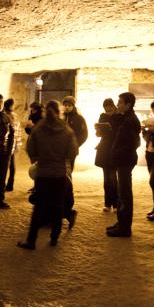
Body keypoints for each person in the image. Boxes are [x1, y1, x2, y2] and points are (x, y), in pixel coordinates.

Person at [17, 100, 78, 249]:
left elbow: (31, 149)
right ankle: (54, 238)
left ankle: (31, 241)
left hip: (43, 172)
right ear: (60, 112)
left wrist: (40, 158)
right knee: (58, 206)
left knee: (39, 207)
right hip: (59, 173)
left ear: (45, 111)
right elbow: (73, 151)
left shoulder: (39, 129)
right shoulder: (66, 130)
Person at [106, 92, 142, 237]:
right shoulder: (125, 117)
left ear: (128, 105)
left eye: (120, 102)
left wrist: (117, 153)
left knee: (125, 194)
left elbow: (132, 143)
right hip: (123, 159)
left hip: (125, 160)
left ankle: (125, 227)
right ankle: (121, 223)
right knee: (122, 193)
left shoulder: (130, 120)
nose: (117, 105)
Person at [62, 96, 87, 228]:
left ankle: (67, 208)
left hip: (70, 153)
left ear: (73, 105)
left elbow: (84, 134)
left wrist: (75, 145)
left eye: (69, 105)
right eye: (65, 105)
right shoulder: (61, 118)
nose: (66, 107)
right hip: (60, 152)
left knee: (67, 177)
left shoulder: (78, 118)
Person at [94, 98, 120, 212]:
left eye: (109, 107)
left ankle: (116, 203)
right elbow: (99, 134)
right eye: (106, 108)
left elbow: (120, 132)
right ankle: (107, 203)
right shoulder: (102, 116)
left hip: (114, 149)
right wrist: (98, 130)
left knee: (113, 178)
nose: (108, 110)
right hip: (104, 149)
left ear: (113, 106)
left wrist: (111, 129)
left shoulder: (119, 116)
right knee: (106, 179)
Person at [3, 98, 22, 192]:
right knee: (11, 165)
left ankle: (3, 184)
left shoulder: (3, 115)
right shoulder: (14, 116)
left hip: (5, 145)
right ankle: (10, 184)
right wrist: (18, 143)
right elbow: (18, 131)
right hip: (13, 143)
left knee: (4, 165)